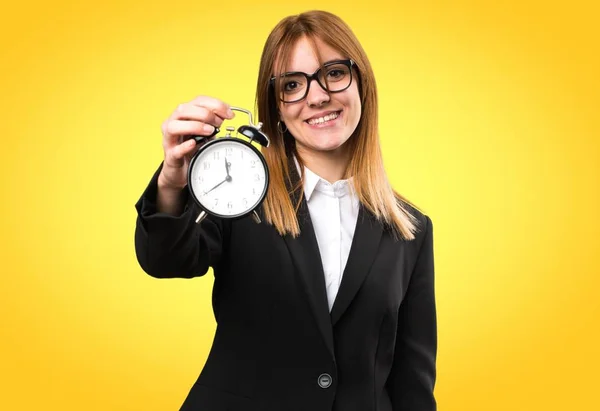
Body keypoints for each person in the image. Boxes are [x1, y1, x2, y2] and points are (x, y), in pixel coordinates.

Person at [134, 10, 437, 411]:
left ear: (361, 82)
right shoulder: (239, 196)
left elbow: (412, 383)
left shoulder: (410, 230)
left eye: (333, 73)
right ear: (274, 106)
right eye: (292, 84)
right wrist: (172, 184)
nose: (317, 96)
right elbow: (166, 258)